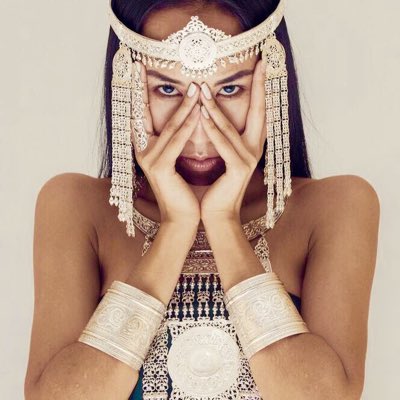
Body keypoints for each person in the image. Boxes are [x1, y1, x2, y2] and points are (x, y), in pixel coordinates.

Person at [24, 1, 380, 399]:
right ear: (126, 84)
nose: (198, 131)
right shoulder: (77, 207)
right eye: (167, 89)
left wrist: (223, 221)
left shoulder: (334, 207)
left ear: (272, 79)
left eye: (229, 89)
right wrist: (175, 228)